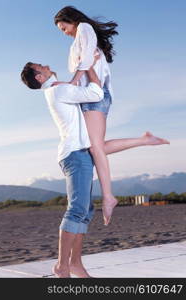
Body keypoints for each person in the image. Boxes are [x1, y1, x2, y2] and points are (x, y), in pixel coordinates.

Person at [20, 62, 170, 277]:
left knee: (85, 210)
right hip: (75, 155)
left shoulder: (59, 88)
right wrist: (88, 68)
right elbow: (95, 92)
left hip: (79, 153)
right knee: (77, 210)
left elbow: (100, 145)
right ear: (39, 77)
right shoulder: (58, 90)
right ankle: (62, 266)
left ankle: (76, 264)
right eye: (40, 66)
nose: (46, 65)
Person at [54, 6, 119, 225]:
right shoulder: (79, 37)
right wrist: (73, 82)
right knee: (95, 146)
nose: (63, 32)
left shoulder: (84, 28)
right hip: (90, 97)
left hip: (95, 96)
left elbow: (87, 59)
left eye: (63, 27)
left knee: (94, 148)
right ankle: (145, 140)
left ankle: (108, 197)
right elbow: (86, 59)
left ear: (70, 20)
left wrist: (72, 82)